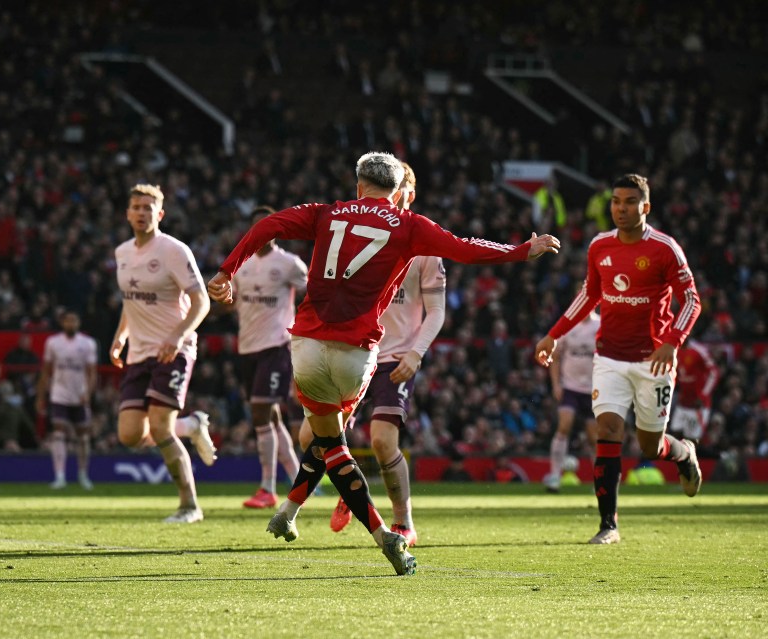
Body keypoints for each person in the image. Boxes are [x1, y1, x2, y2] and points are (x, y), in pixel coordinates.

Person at [208, 151, 560, 575]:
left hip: (307, 344)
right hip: (358, 353)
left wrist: (227, 270)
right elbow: (466, 248)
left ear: (358, 185)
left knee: (327, 442)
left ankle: (347, 520)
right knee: (330, 441)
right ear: (397, 192)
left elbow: (268, 225)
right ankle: (346, 523)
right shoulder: (409, 225)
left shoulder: (327, 213)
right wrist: (521, 250)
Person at [535, 173, 702, 545]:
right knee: (608, 432)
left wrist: (673, 341)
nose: (620, 209)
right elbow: (589, 296)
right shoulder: (599, 246)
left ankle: (682, 453)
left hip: (652, 361)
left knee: (648, 447)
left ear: (646, 207)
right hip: (609, 356)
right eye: (615, 201)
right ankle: (608, 525)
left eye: (629, 202)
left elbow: (692, 299)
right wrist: (553, 334)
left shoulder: (665, 248)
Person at [310, 161, 446, 547]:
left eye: (400, 189)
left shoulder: (424, 244)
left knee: (384, 440)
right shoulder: (352, 233)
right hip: (352, 349)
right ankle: (351, 492)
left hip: (395, 357)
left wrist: (416, 354)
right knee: (314, 435)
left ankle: (404, 522)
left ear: (409, 194)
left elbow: (436, 311)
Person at [109, 184, 214, 524]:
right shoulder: (122, 253)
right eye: (136, 206)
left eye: (148, 207)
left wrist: (179, 335)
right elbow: (131, 299)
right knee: (129, 434)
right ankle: (192, 425)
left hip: (174, 350)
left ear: (160, 214)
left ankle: (189, 506)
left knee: (159, 426)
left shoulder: (173, 250)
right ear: (127, 213)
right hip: (138, 352)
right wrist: (119, 337)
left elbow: (202, 301)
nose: (141, 212)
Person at [232, 206, 307, 509]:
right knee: (271, 418)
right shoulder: (242, 263)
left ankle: (267, 487)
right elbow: (232, 301)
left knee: (261, 411)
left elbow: (312, 293)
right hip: (247, 347)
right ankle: (299, 479)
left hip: (277, 345)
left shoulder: (289, 264)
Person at [36, 310, 98, 490]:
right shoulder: (53, 343)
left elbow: (92, 372)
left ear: (79, 323)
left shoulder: (88, 343)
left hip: (79, 395)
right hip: (59, 394)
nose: (71, 324)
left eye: (74, 320)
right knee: (58, 434)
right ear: (63, 323)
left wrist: (88, 393)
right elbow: (46, 370)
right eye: (68, 321)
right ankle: (60, 476)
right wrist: (41, 396)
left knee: (84, 438)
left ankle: (83, 474)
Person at [542, 309, 600, 493]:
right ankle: (554, 477)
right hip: (570, 387)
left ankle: (600, 481)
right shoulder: (568, 326)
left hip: (593, 389)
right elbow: (556, 357)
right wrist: (556, 384)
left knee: (594, 438)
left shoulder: (600, 326)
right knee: (564, 426)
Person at [669, 338, 720, 444]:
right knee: (673, 435)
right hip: (683, 402)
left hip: (698, 405)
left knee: (691, 441)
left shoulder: (699, 351)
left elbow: (714, 373)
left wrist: (703, 396)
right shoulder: (673, 349)